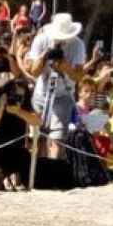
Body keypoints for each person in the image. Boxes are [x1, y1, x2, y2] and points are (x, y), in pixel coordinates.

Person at [24, 12, 86, 160]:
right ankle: (39, 172)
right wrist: (45, 56)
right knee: (39, 138)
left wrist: (66, 66)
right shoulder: (41, 40)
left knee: (58, 138)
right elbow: (33, 71)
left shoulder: (77, 44)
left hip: (63, 94)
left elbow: (79, 76)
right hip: (42, 94)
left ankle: (54, 169)